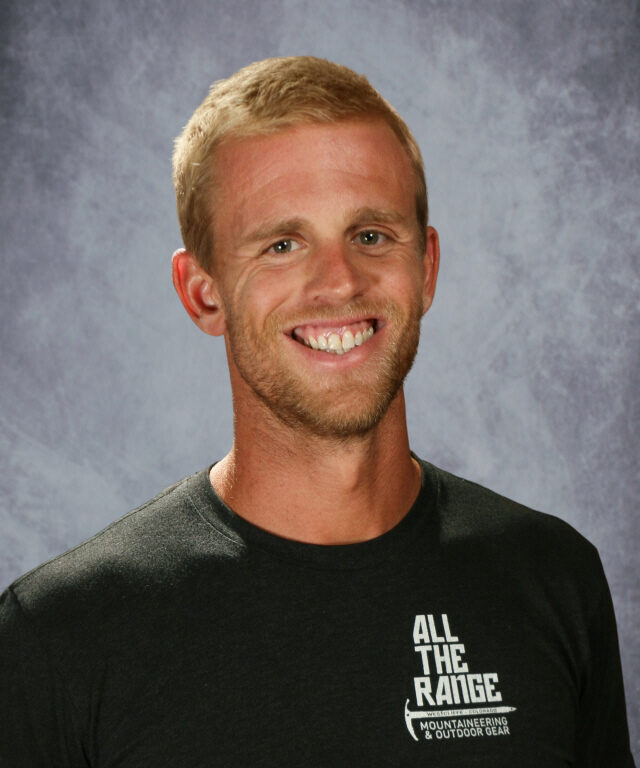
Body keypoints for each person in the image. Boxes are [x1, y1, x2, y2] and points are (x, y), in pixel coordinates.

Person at [0, 56, 634, 767]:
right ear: (203, 292)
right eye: (281, 244)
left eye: (371, 235)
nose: (339, 282)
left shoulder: (552, 580)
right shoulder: (63, 634)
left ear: (425, 267)